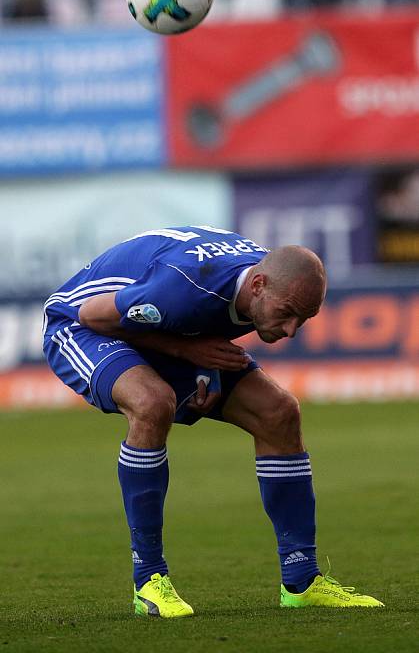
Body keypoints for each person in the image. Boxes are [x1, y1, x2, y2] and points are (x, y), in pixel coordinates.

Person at [42, 225, 384, 616]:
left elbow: (203, 320)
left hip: (165, 325)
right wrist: (188, 352)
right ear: (257, 285)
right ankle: (149, 581)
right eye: (287, 314)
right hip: (80, 326)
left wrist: (208, 371)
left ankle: (302, 580)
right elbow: (95, 316)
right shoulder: (183, 287)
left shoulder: (262, 283)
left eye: (302, 320)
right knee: (154, 404)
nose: (291, 330)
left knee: (278, 413)